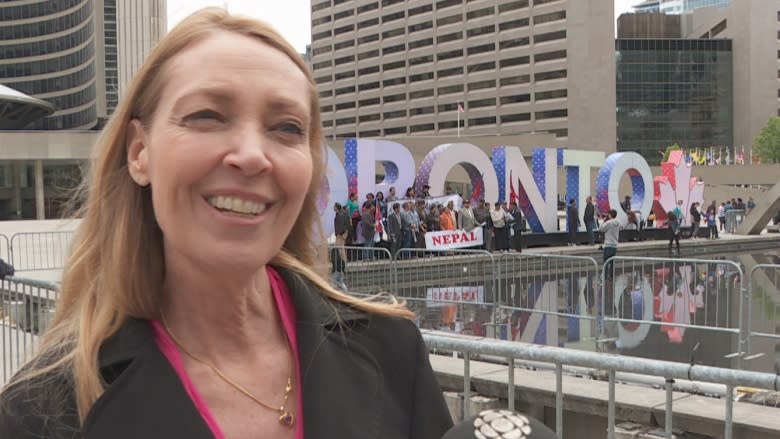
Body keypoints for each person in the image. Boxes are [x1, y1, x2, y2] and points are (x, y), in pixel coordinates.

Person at [0, 9, 453, 439]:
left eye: (287, 128)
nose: (252, 155)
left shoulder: (393, 350)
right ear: (140, 152)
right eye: (207, 116)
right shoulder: (39, 413)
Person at [599, 210, 621, 280]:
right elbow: (621, 227)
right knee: (612, 263)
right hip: (614, 245)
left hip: (608, 245)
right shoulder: (618, 222)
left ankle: (605, 277)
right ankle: (611, 277)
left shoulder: (608, 223)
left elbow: (601, 229)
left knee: (605, 262)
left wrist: (604, 221)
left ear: (610, 215)